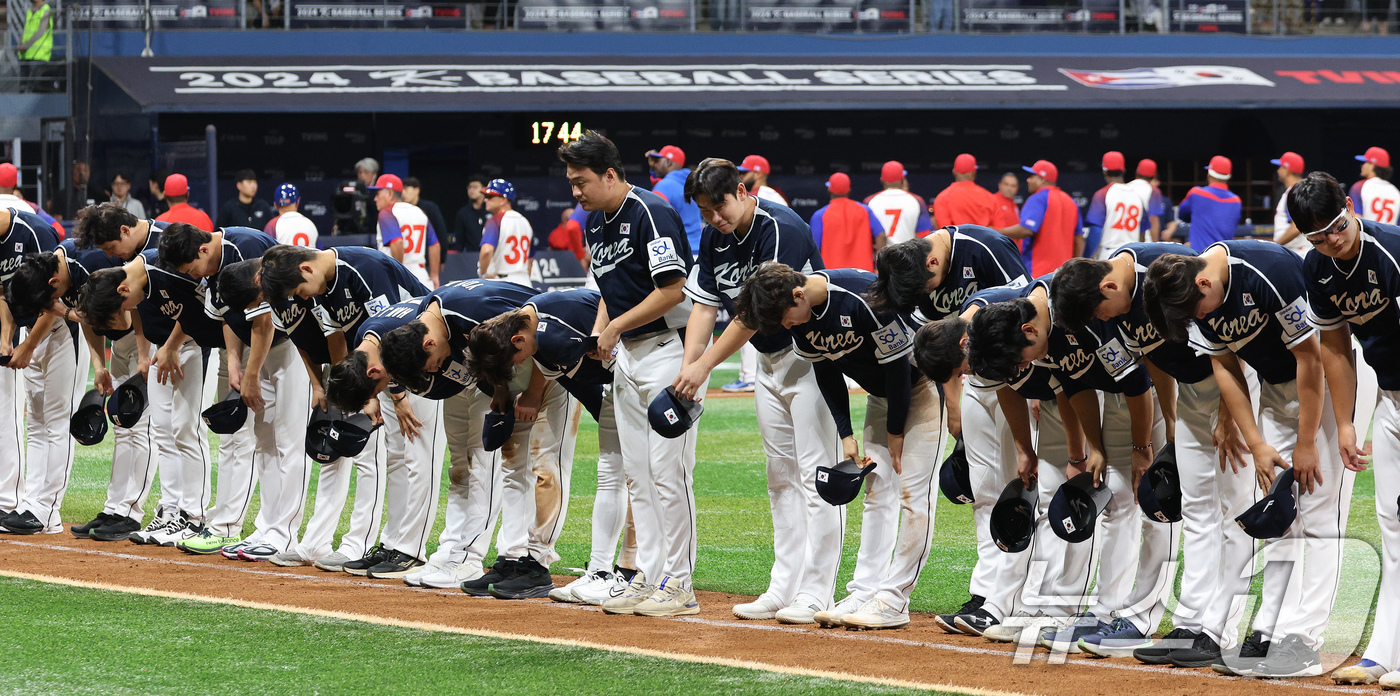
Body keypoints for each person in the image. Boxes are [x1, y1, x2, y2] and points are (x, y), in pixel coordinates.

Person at [1144, 239, 1348, 679]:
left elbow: (1311, 358)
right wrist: (1256, 442)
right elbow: (1227, 368)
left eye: (1197, 311)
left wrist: (1307, 442)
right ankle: (1269, 629)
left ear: (1203, 281)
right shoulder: (1194, 293)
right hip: (1277, 389)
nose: (1199, 319)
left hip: (1327, 383)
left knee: (1316, 514)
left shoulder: (1269, 270)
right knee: (1279, 515)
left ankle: (1303, 639)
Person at [1049, 247, 1252, 667]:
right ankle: (1192, 624)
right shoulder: (1115, 297)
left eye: (1099, 313)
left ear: (1109, 286)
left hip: (1238, 386)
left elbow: (1230, 345)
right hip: (1195, 393)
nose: (1101, 322)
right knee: (1195, 510)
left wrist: (1230, 417)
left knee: (1235, 510)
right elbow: (1154, 356)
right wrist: (1174, 420)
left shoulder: (1164, 277)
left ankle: (1220, 630)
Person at [668, 158, 842, 625]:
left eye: (719, 206)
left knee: (815, 476)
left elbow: (754, 312)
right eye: (704, 211)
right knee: (780, 477)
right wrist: (688, 369)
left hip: (810, 359)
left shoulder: (779, 228)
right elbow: (704, 307)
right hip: (768, 364)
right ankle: (783, 586)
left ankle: (816, 592)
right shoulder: (713, 235)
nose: (714, 219)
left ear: (743, 190)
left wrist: (704, 366)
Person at [735, 261, 941, 631]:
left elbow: (899, 367)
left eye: (785, 318)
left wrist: (895, 432)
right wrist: (846, 433)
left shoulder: (864, 296)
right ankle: (865, 591)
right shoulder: (802, 320)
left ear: (798, 295)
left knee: (914, 496)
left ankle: (895, 600)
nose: (786, 326)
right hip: (883, 398)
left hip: (922, 387)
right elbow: (827, 371)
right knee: (877, 491)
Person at [976, 272, 1172, 655]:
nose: (1019, 370)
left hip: (1156, 396)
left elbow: (1139, 384)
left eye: (1017, 360)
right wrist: (1091, 448)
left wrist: (1142, 447)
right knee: (1117, 503)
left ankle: (1142, 615)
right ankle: (1107, 611)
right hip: (1115, 397)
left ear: (1030, 331)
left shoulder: (1078, 316)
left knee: (1156, 504)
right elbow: (1075, 384)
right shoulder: (1038, 324)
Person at [558, 131, 700, 617]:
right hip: (629, 356)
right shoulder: (596, 223)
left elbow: (674, 290)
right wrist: (602, 332)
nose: (576, 192)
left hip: (667, 349)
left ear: (611, 175)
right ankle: (647, 576)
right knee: (637, 474)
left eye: (582, 182)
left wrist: (615, 326)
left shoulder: (650, 211)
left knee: (668, 474)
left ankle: (679, 584)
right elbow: (606, 289)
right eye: (572, 183)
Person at [864, 226, 1025, 636]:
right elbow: (944, 347)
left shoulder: (984, 249)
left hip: (1015, 378)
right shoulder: (913, 272)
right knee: (986, 492)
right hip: (968, 376)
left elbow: (1025, 313)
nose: (923, 295)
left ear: (933, 262)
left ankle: (1022, 599)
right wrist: (955, 405)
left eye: (926, 286)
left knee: (1019, 491)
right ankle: (987, 595)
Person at [377, 280, 577, 596]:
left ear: (428, 344)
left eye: (431, 366)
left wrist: (536, 391)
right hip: (514, 378)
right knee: (513, 469)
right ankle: (512, 558)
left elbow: (541, 332)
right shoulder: (425, 317)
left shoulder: (473, 312)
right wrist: (501, 393)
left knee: (546, 470)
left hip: (551, 369)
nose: (434, 371)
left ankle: (537, 566)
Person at [1287, 172, 1400, 687]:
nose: (1330, 241)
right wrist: (1346, 421)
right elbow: (1334, 347)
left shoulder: (1391, 252)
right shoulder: (1317, 268)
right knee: (1391, 526)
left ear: (1350, 206)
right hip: (1392, 401)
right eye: (1316, 236)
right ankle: (1385, 652)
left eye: (1335, 227)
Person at [463, 287, 636, 604]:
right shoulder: (534, 330)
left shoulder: (552, 336)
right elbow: (580, 379)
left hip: (640, 372)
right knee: (618, 471)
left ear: (517, 341)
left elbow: (592, 374)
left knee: (635, 473)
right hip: (620, 382)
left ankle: (632, 569)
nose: (518, 366)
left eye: (513, 360)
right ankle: (604, 570)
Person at [153, 224, 301, 561]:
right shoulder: (212, 259)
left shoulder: (245, 246)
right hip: (249, 346)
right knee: (245, 437)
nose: (192, 276)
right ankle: (241, 526)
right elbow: (228, 315)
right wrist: (232, 361)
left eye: (191, 269)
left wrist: (249, 374)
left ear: (203, 251)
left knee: (277, 439)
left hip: (283, 344)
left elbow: (262, 319)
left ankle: (272, 531)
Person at [0, 206, 86, 536]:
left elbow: (53, 298)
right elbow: (2, 295)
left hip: (62, 330)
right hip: (27, 334)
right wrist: (8, 339)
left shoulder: (33, 232)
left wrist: (28, 345)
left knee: (57, 420)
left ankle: (48, 510)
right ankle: (30, 504)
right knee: (35, 420)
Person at [998, 160, 1079, 277]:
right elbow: (1079, 238)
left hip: (1038, 272)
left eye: (1032, 176)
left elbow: (1026, 229)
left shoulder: (1038, 198)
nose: (1028, 180)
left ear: (1041, 180)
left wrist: (996, 232)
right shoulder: (1070, 201)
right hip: (1064, 274)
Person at [371, 174, 440, 289]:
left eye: (378, 194)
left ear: (389, 193)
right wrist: (434, 275)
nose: (375, 198)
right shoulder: (419, 211)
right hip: (421, 275)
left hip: (398, 274)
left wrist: (398, 276)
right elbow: (435, 245)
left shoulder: (386, 213)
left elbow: (397, 242)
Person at [810, 173, 885, 272]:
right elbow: (881, 235)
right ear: (849, 190)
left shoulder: (820, 215)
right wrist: (879, 267)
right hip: (864, 274)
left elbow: (814, 248)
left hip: (832, 276)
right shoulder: (865, 210)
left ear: (829, 190)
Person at [1084, 151, 1150, 259]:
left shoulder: (1102, 194)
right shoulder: (1137, 196)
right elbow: (1142, 233)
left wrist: (1086, 257)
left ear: (1104, 171)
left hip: (1108, 254)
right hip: (1131, 255)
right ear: (1123, 170)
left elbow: (1096, 230)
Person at [1176, 156, 1241, 251]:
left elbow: (1182, 214)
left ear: (1209, 174)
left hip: (1200, 257)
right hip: (1224, 258)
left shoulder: (1197, 193)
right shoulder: (1236, 201)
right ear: (1229, 177)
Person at [647, 145, 704, 253]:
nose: (655, 164)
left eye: (658, 161)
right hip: (700, 248)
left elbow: (656, 221)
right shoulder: (691, 182)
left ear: (668, 162)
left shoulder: (664, 186)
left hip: (681, 251)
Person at [478, 179, 533, 288]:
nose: (485, 200)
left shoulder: (494, 221)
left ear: (503, 199)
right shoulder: (525, 221)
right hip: (525, 282)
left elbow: (486, 251)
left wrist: (483, 273)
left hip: (502, 283)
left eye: (490, 197)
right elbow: (530, 259)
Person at [865, 160, 932, 244]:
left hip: (881, 254)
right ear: (902, 179)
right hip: (907, 254)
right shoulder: (917, 200)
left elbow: (866, 235)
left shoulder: (870, 201)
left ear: (881, 180)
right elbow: (924, 234)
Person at [932, 154, 996, 228]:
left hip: (955, 239)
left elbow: (945, 231)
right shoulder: (990, 198)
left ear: (954, 171)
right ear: (974, 172)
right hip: (983, 239)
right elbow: (998, 231)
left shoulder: (942, 198)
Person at [1268, 152, 1310, 255]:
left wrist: (1275, 244)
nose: (1278, 170)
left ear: (1287, 170)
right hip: (1299, 250)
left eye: (1280, 167)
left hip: (1297, 252)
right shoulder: (1302, 189)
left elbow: (1296, 227)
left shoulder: (1295, 191)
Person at [403, 177, 449, 264]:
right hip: (406, 260)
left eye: (406, 189)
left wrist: (442, 259)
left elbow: (441, 232)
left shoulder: (430, 208)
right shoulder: (401, 210)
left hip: (427, 260)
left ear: (417, 190)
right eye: (402, 190)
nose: (403, 193)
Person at [1351, 147, 1400, 225]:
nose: (1362, 165)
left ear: (1372, 165)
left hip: (1367, 236)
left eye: (1365, 162)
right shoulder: (1396, 192)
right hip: (1391, 236)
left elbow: (1356, 218)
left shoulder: (1359, 187)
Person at [264, 183, 318, 247]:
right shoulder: (310, 224)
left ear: (275, 205)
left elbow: (266, 252)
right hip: (309, 257)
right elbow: (321, 253)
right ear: (298, 202)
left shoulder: (273, 225)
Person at [1127, 159, 1166, 243]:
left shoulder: (1125, 187)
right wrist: (1155, 245)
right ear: (1154, 176)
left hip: (1125, 237)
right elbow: (1153, 219)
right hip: (1145, 241)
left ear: (1136, 173)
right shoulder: (1153, 190)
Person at [452, 176, 489, 255]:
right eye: (469, 187)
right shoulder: (463, 213)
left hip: (492, 255)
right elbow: (459, 241)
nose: (471, 190)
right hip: (471, 257)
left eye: (475, 187)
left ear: (484, 188)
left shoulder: (491, 210)